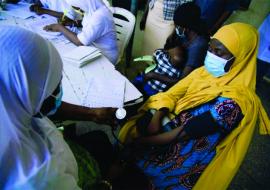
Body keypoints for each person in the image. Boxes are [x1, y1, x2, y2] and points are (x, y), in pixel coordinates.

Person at [118, 23, 270, 189]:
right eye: (210, 49)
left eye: (219, 52)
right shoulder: (205, 73)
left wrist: (142, 141)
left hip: (185, 153)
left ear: (240, 57)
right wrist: (158, 115)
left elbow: (185, 133)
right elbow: (173, 93)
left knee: (154, 180)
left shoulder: (235, 103)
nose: (211, 56)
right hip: (166, 130)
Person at [0, 26, 117, 189]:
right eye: (54, 84)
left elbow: (41, 104)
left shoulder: (9, 98)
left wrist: (91, 114)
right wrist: (108, 183)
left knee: (99, 139)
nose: (60, 89)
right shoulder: (37, 178)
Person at [43, 0, 119, 65]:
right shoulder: (93, 7)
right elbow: (89, 23)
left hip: (105, 56)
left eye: (77, 7)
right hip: (93, 47)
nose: (78, 10)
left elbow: (80, 42)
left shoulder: (100, 16)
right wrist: (72, 23)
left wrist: (60, 27)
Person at [165, 2, 209, 79]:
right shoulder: (187, 34)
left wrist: (153, 75)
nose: (175, 28)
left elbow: (182, 79)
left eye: (176, 25)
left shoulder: (197, 47)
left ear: (185, 28)